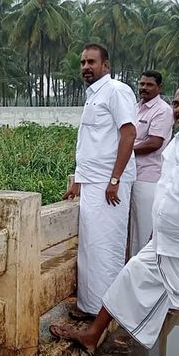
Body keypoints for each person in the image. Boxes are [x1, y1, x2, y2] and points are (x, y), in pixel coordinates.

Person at [51, 83, 179, 351]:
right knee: (126, 282)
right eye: (177, 103)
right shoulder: (174, 145)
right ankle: (91, 335)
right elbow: (167, 194)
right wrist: (155, 231)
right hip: (162, 243)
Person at [63, 43, 136, 319]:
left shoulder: (116, 91)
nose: (85, 67)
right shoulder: (94, 96)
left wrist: (115, 179)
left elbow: (128, 134)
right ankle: (91, 306)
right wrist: (78, 181)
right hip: (93, 183)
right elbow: (93, 143)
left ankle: (103, 311)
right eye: (82, 62)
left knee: (106, 248)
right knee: (91, 248)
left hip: (109, 186)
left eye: (91, 62)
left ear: (106, 65)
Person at [130, 70, 173, 257]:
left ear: (159, 87)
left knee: (144, 229)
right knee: (130, 229)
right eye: (141, 84)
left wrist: (124, 150)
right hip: (130, 175)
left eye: (149, 85)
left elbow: (155, 143)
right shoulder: (135, 107)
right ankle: (130, 270)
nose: (144, 88)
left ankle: (143, 272)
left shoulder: (163, 110)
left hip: (148, 178)